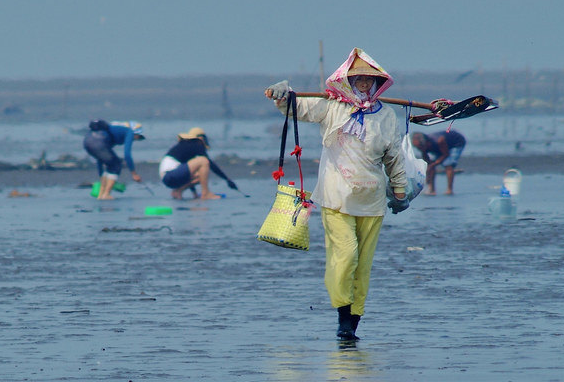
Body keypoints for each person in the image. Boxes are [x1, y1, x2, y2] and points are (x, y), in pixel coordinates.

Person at [265, 48, 408, 341]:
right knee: (346, 257)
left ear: (377, 81)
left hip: (372, 200)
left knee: (363, 267)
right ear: (347, 79)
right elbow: (297, 108)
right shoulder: (332, 107)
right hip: (336, 198)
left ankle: (351, 327)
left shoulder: (387, 115)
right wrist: (283, 94)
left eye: (369, 78)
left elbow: (394, 156)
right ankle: (342, 316)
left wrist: (400, 189)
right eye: (358, 78)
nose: (365, 83)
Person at [158, 127, 238, 200]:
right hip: (170, 174)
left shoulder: (187, 146)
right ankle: (206, 193)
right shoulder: (195, 144)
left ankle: (178, 191)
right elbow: (210, 163)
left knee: (201, 174)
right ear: (201, 138)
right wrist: (227, 179)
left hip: (167, 178)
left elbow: (188, 171)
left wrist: (195, 194)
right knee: (203, 161)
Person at [82, 120, 144, 200]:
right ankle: (106, 194)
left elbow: (100, 159)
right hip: (98, 143)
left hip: (87, 142)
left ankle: (101, 194)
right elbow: (127, 155)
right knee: (116, 164)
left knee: (110, 163)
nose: (136, 139)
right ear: (135, 133)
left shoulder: (110, 133)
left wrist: (101, 175)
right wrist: (134, 174)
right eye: (138, 137)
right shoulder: (129, 131)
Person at [411, 130, 466, 195]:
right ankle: (431, 190)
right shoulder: (423, 146)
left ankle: (449, 190)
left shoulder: (439, 140)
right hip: (440, 147)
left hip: (456, 143)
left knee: (448, 164)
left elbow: (445, 154)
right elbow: (427, 160)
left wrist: (434, 164)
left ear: (425, 143)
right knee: (430, 165)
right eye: (417, 148)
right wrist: (428, 168)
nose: (419, 150)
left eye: (420, 147)